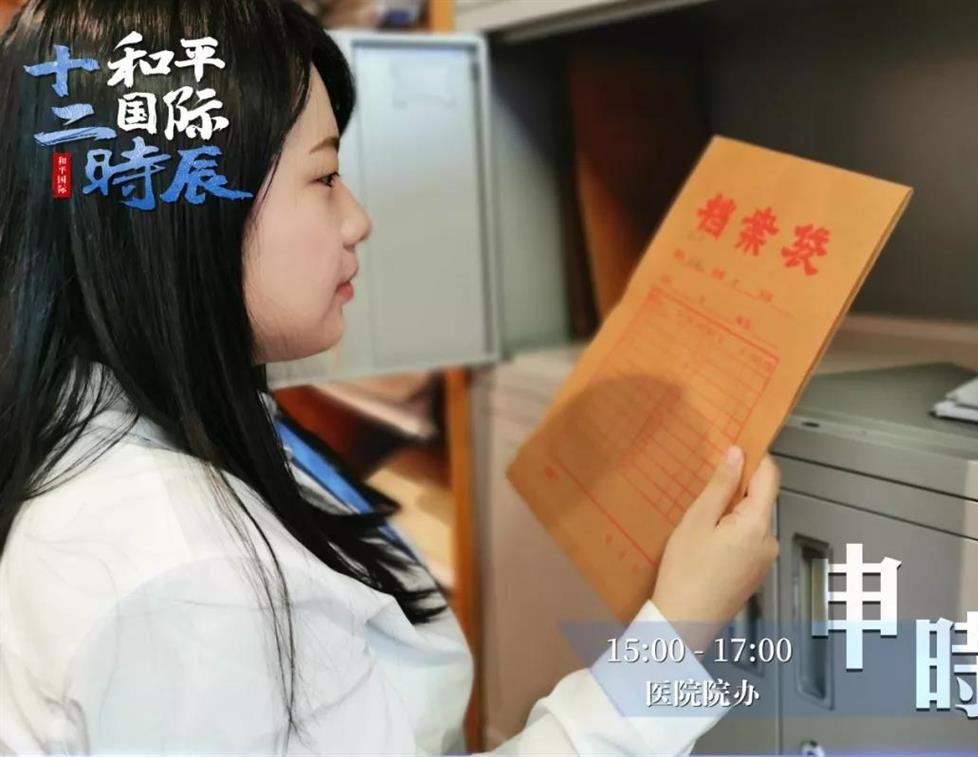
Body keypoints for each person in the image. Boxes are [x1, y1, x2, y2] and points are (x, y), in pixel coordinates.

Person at [0, 0, 781, 753]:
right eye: (323, 177)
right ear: (183, 214)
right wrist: (681, 626)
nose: (358, 219)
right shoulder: (190, 585)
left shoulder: (119, 423)